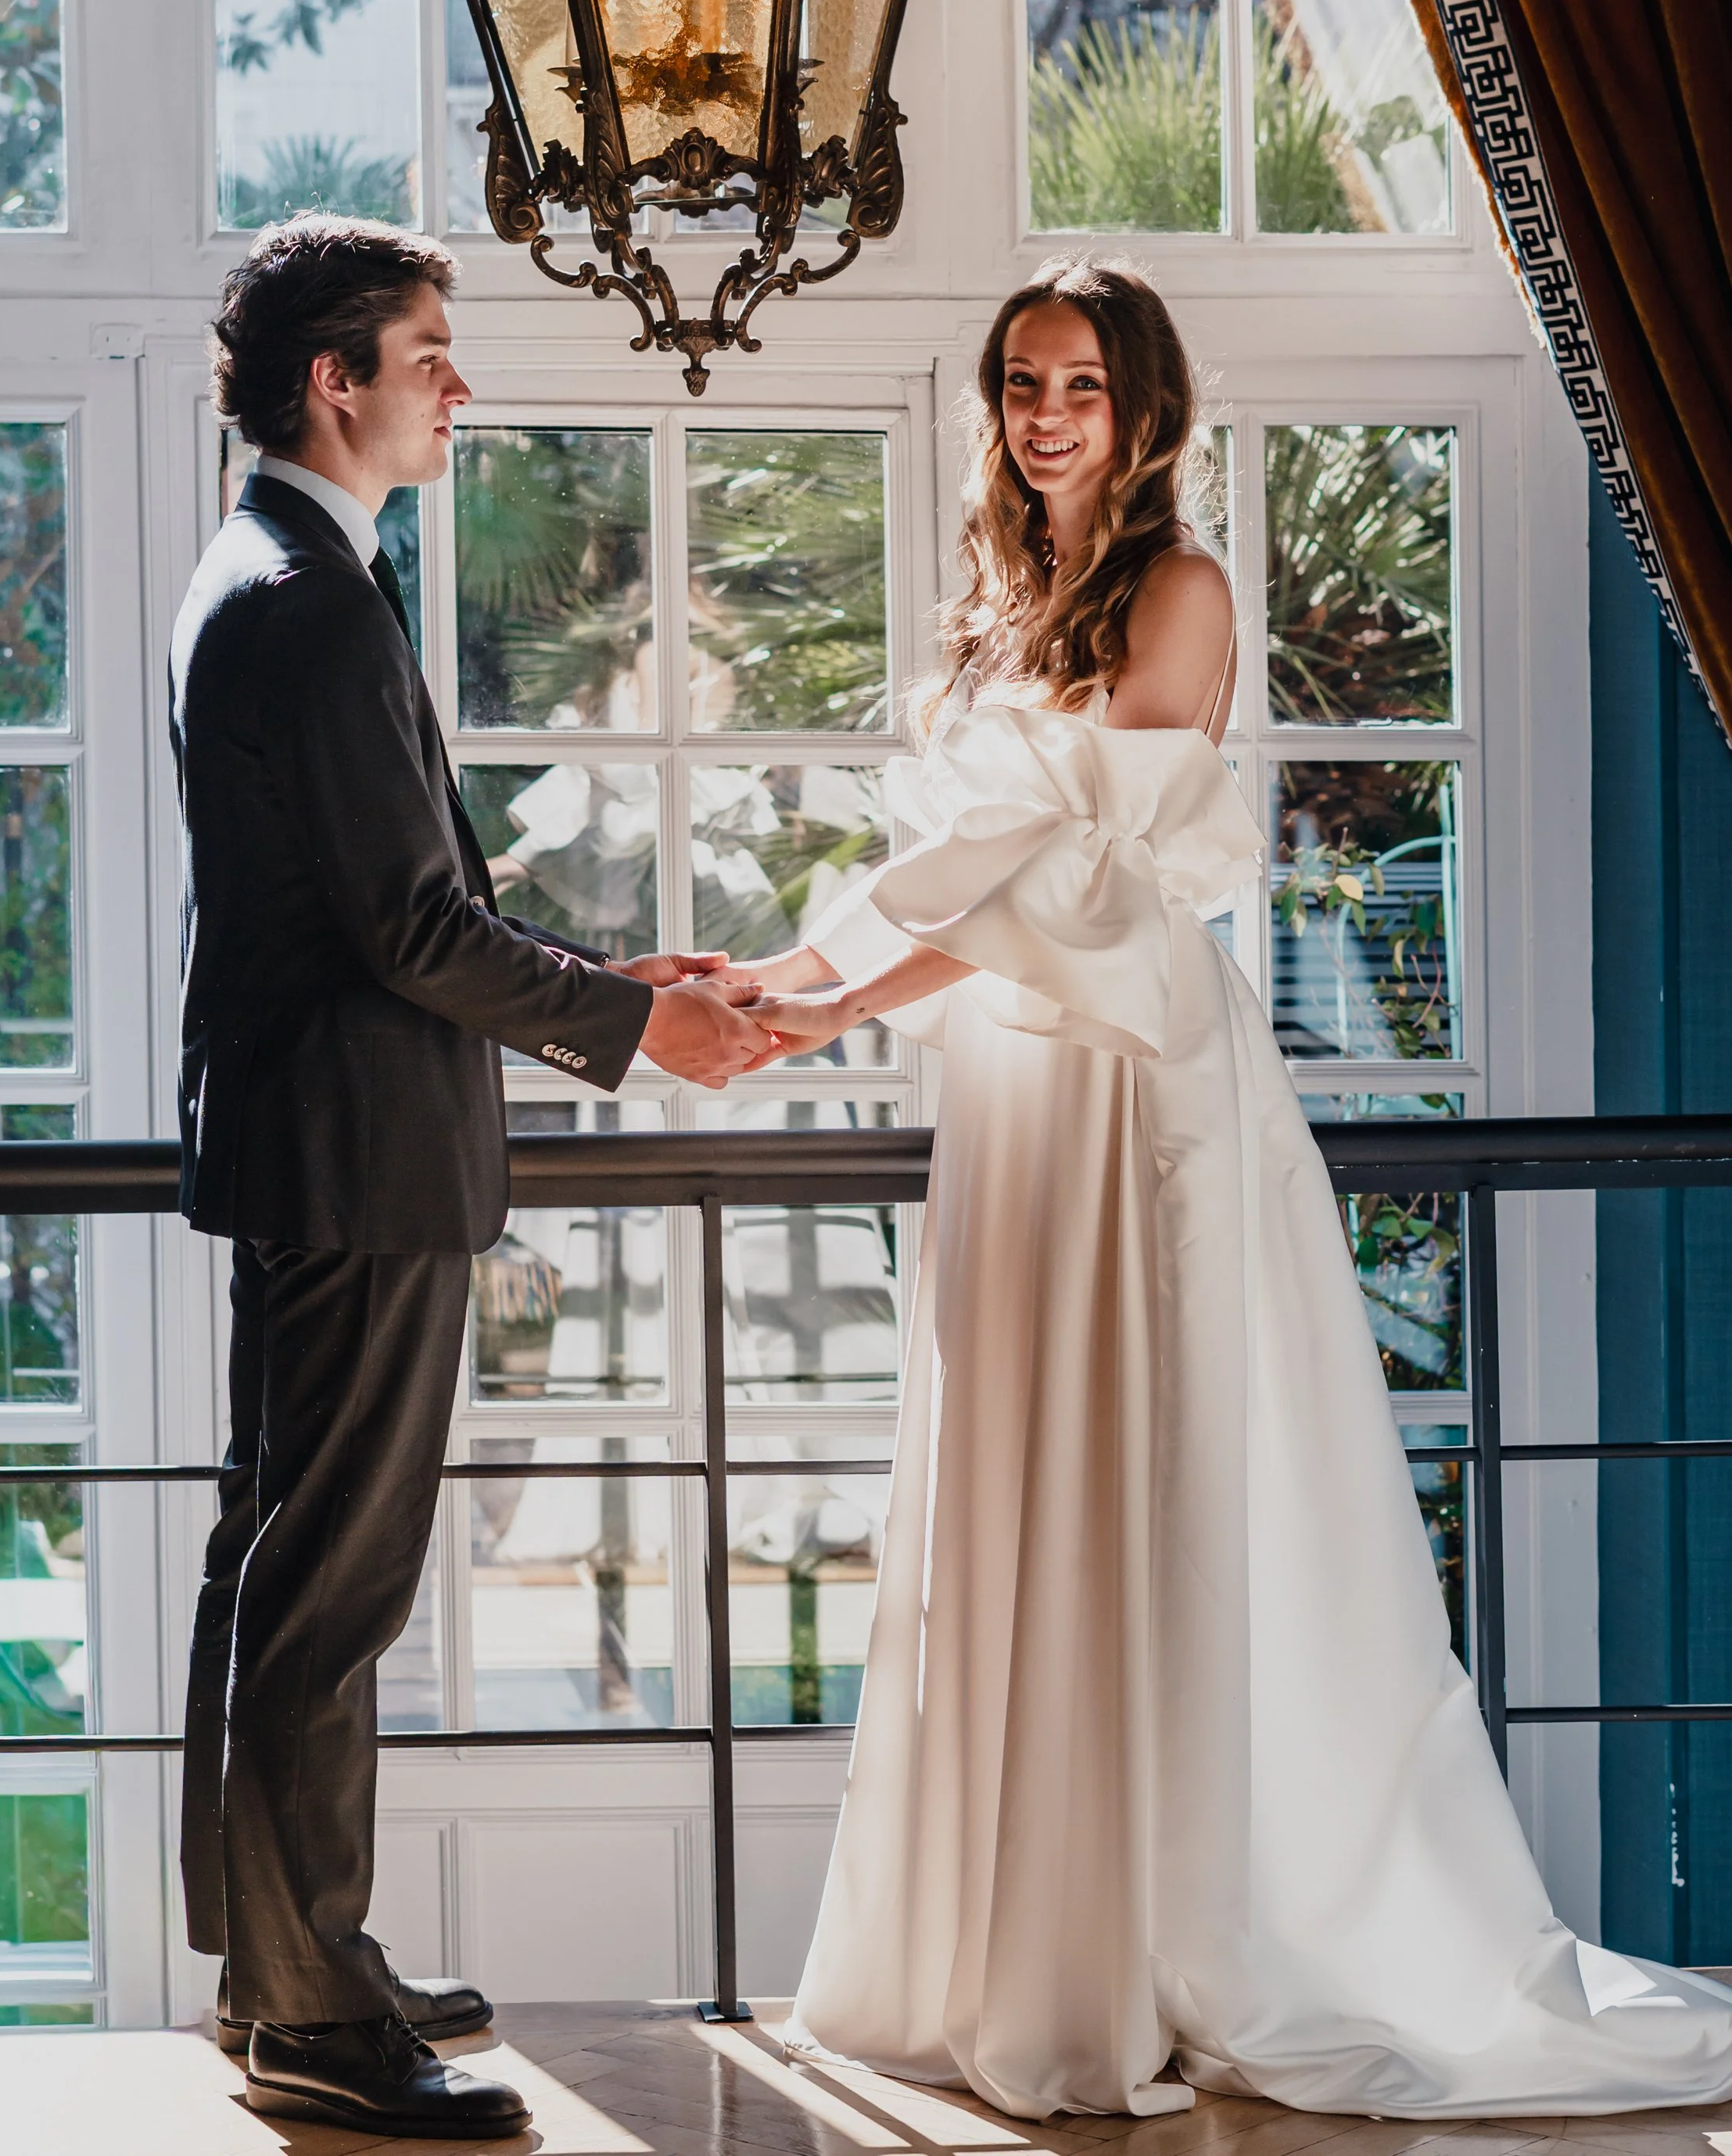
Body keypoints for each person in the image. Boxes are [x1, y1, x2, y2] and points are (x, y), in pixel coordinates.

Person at [736, 259, 1732, 2121]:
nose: (1044, 415)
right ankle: (1006, 1946)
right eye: (1021, 384)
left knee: (1148, 1478)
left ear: (1148, 413)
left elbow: (1067, 892)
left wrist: (823, 1015)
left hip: (1132, 1079)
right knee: (1016, 1472)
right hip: (1014, 1092)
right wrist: (776, 985)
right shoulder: (992, 602)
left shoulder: (1177, 592)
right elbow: (951, 869)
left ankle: (1144, 1948)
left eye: (1080, 388)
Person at [171, 216, 773, 2139]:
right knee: (325, 1591)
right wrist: (637, 1030)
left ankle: (284, 1964)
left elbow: (393, 908)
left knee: (281, 1561)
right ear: (332, 380)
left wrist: (612, 976)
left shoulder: (277, 574)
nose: (457, 382)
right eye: (428, 350)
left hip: (320, 1148)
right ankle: (312, 2022)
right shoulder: (309, 600)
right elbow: (412, 934)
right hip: (354, 1160)